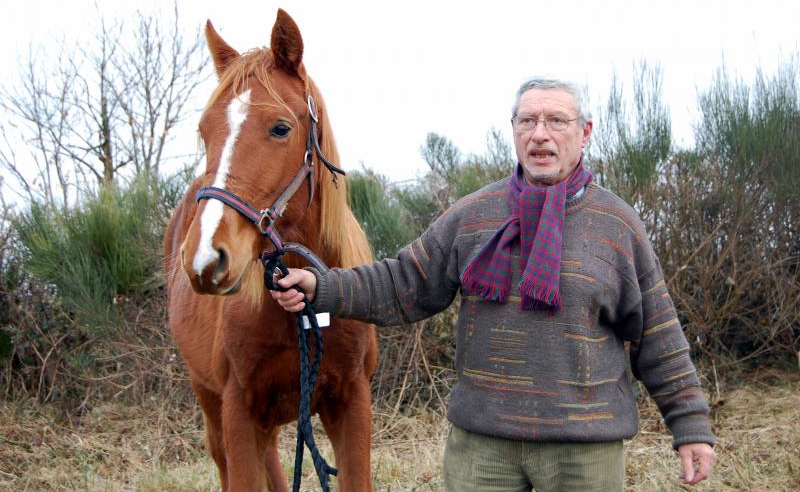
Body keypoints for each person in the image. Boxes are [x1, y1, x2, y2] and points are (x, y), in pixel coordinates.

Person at [271, 77, 717, 491]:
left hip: (584, 450)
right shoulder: (473, 215)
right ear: (514, 130)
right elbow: (403, 282)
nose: (540, 134)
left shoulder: (616, 225)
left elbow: (658, 335)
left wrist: (690, 426)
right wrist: (321, 286)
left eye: (557, 121)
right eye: (528, 121)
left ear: (584, 132)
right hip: (482, 450)